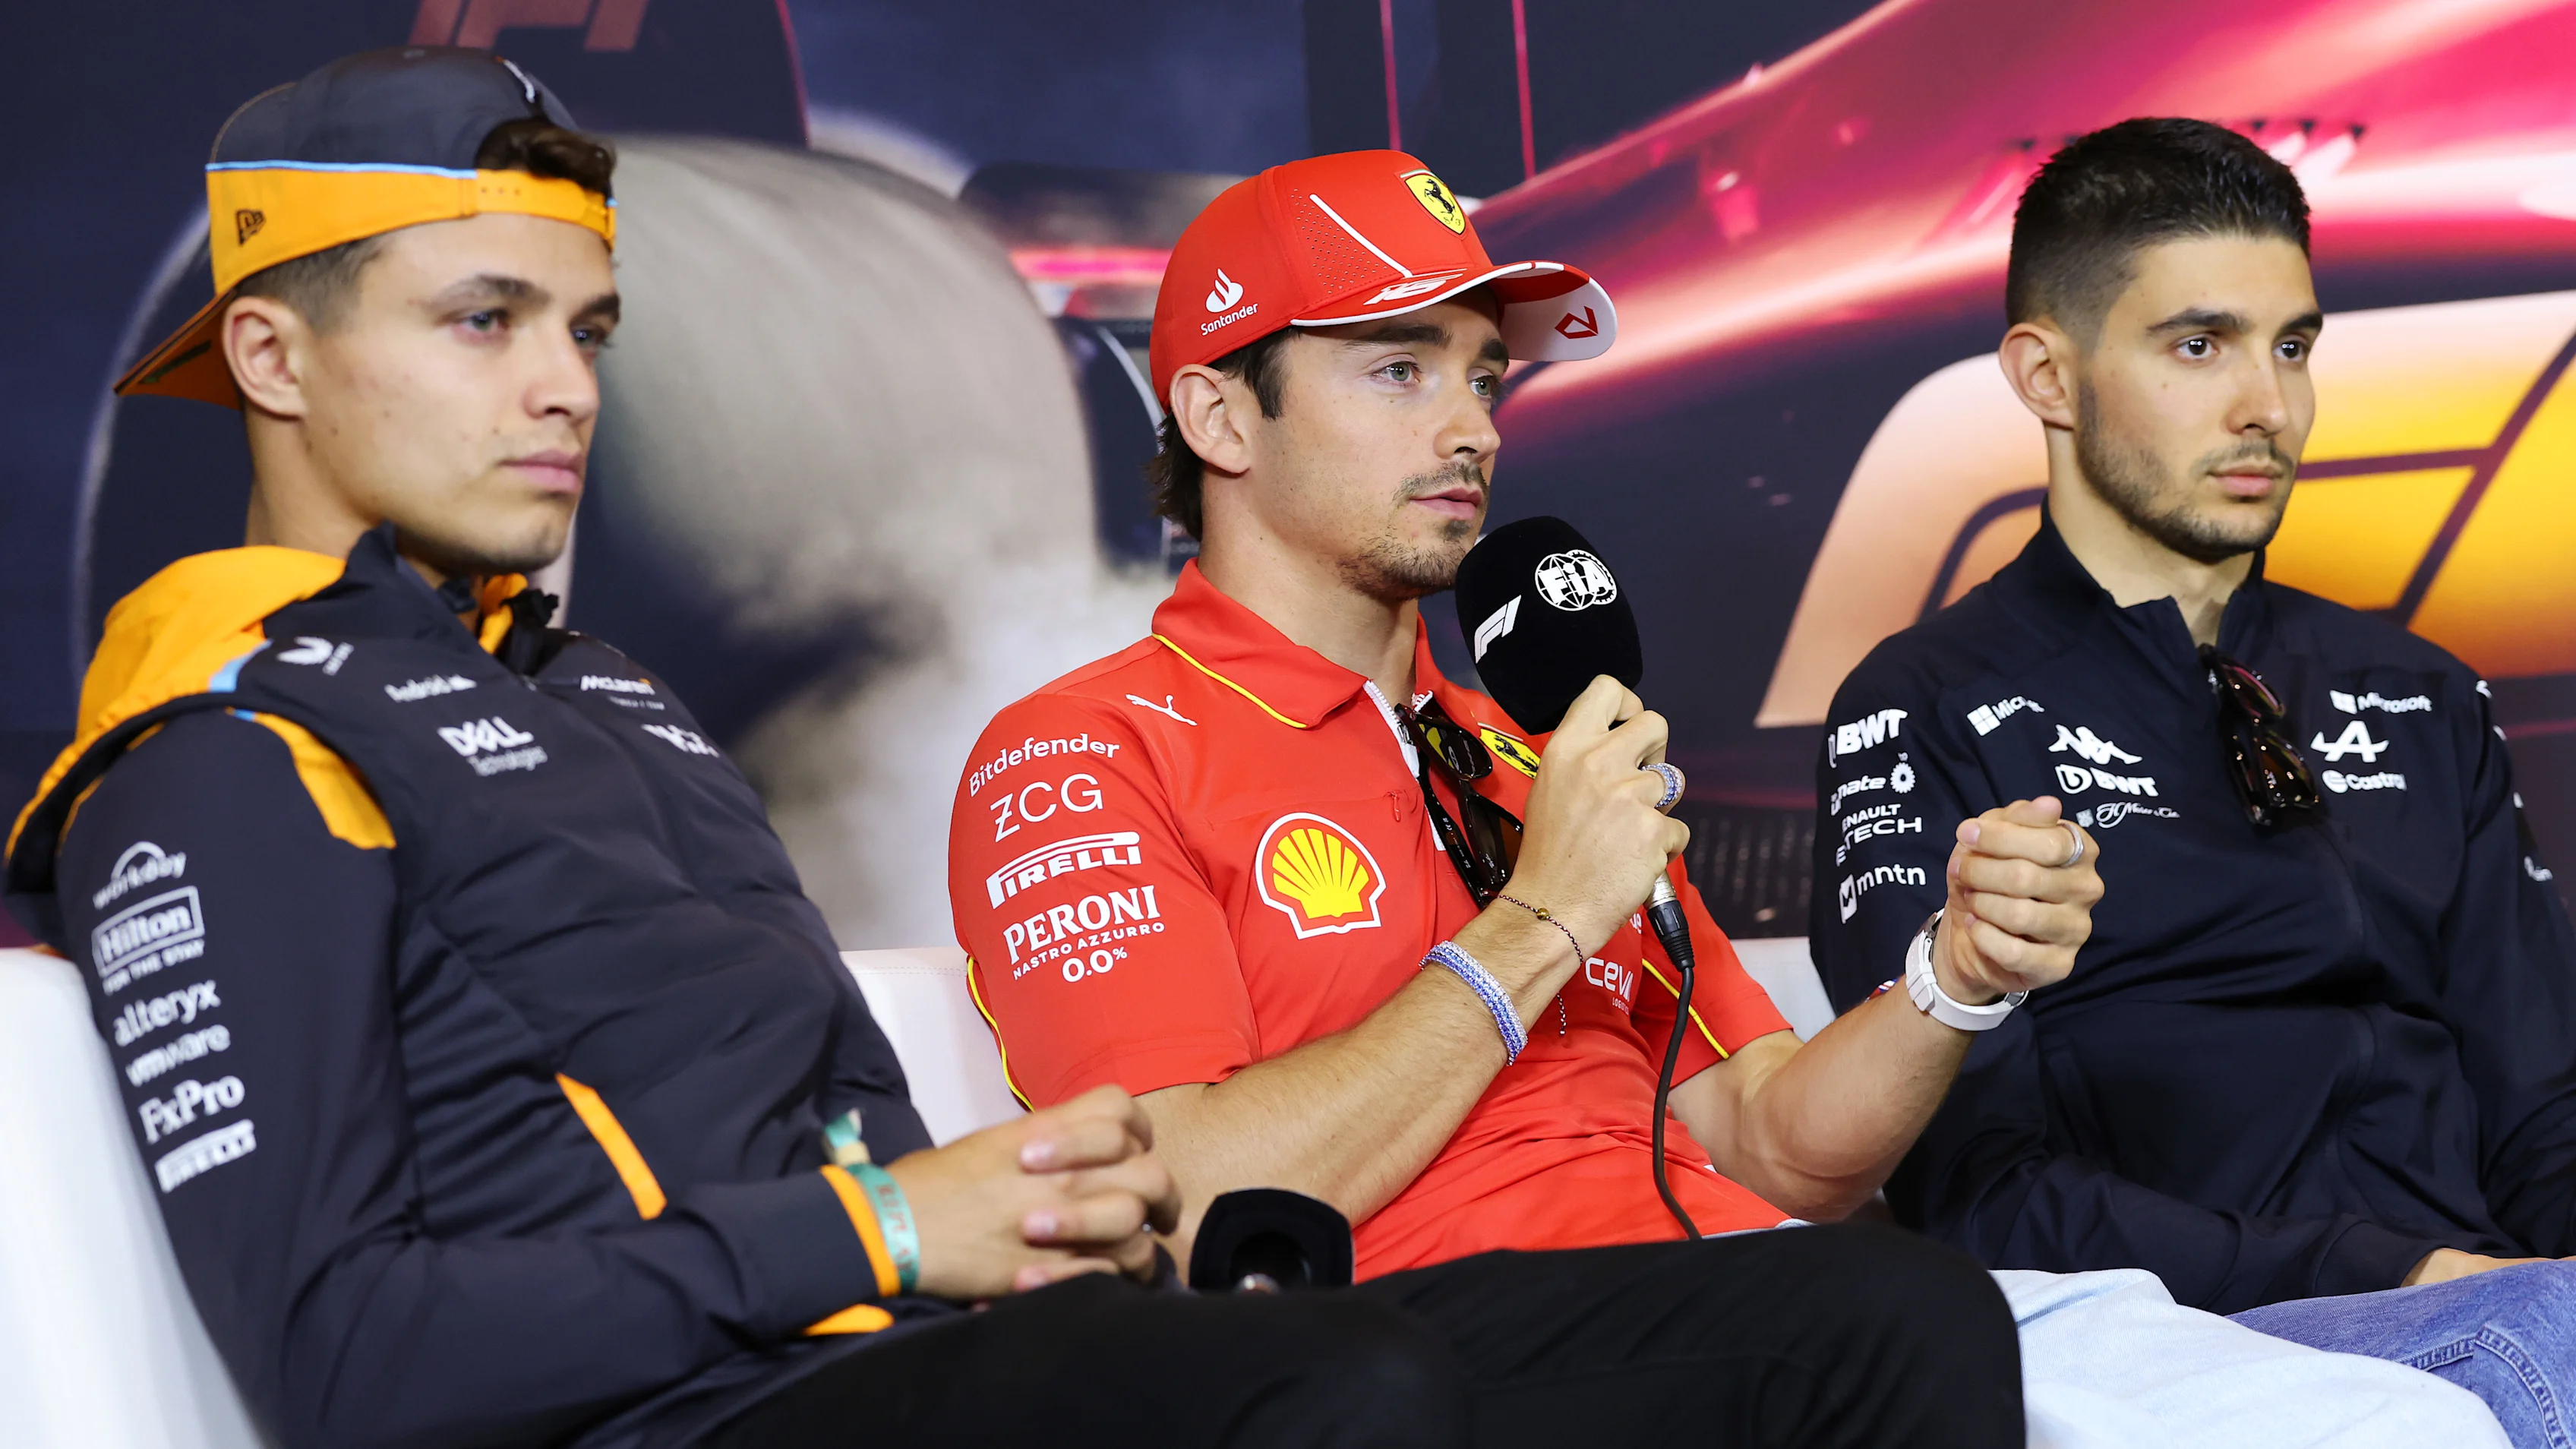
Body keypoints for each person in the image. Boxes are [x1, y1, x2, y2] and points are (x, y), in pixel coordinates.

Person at [0, 48, 1849, 1449]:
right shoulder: (213, 757)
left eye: (588, 328)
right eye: (483, 324)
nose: (567, 385)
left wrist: (1041, 1225)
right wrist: (887, 1232)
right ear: (269, 353)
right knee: (1345, 1381)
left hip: (897, 1359)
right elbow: (339, 1361)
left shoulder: (611, 702)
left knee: (1838, 1325)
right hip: (692, 1412)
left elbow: (809, 1120)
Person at [950, 147, 2508, 1446]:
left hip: (1762, 1292)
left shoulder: (1526, 743)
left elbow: (1775, 1146)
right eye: (1396, 368)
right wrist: (1540, 918)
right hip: (1441, 1352)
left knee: (2414, 1422)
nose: (1472, 425)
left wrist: (1951, 979)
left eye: (1482, 374)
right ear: (1222, 419)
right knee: (1900, 1312)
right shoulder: (1085, 751)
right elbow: (1191, 1202)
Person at [1810, 116, 2576, 1447]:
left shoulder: (2423, 690)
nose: (2267, 408)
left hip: (2504, 1299)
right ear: (2048, 375)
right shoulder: (1922, 701)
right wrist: (2394, 1270)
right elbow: (1978, 1190)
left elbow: (2544, 1111)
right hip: (2194, 1338)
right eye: (2197, 345)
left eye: (2292, 347)